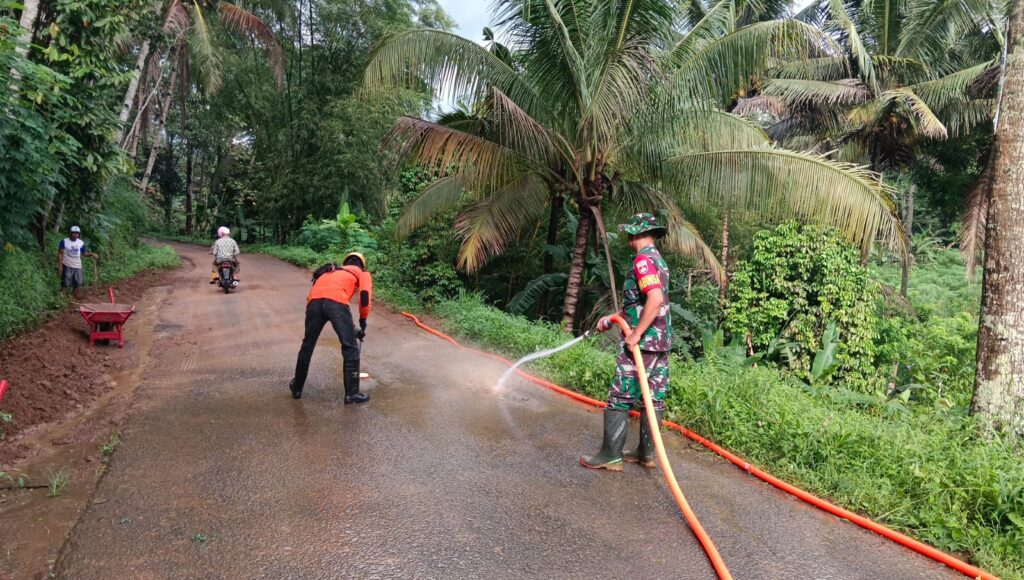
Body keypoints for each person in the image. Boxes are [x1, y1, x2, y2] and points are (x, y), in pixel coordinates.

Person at [581, 213, 671, 471]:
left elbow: (654, 300)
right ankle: (646, 453)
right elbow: (641, 304)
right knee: (653, 399)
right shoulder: (659, 261)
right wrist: (612, 319)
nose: (628, 239)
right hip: (660, 343)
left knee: (620, 396)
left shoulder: (643, 261)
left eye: (630, 234)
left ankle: (610, 455)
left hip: (641, 346)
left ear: (636, 234)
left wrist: (635, 334)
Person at [288, 252, 373, 403]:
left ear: (346, 262)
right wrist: (363, 319)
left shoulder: (331, 271)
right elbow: (365, 297)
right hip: (337, 303)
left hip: (314, 303)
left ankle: (297, 388)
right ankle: (352, 394)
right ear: (362, 264)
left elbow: (324, 298)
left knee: (307, 345)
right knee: (350, 347)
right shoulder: (362, 273)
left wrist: (354, 331)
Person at [58, 226, 99, 300]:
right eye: (73, 233)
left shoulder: (80, 242)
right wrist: (60, 265)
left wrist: (91, 254)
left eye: (77, 233)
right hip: (67, 264)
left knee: (77, 283)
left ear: (79, 234)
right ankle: (61, 299)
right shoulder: (64, 241)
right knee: (65, 283)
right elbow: (60, 254)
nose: (75, 235)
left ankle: (75, 298)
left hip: (77, 265)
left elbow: (84, 253)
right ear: (70, 233)